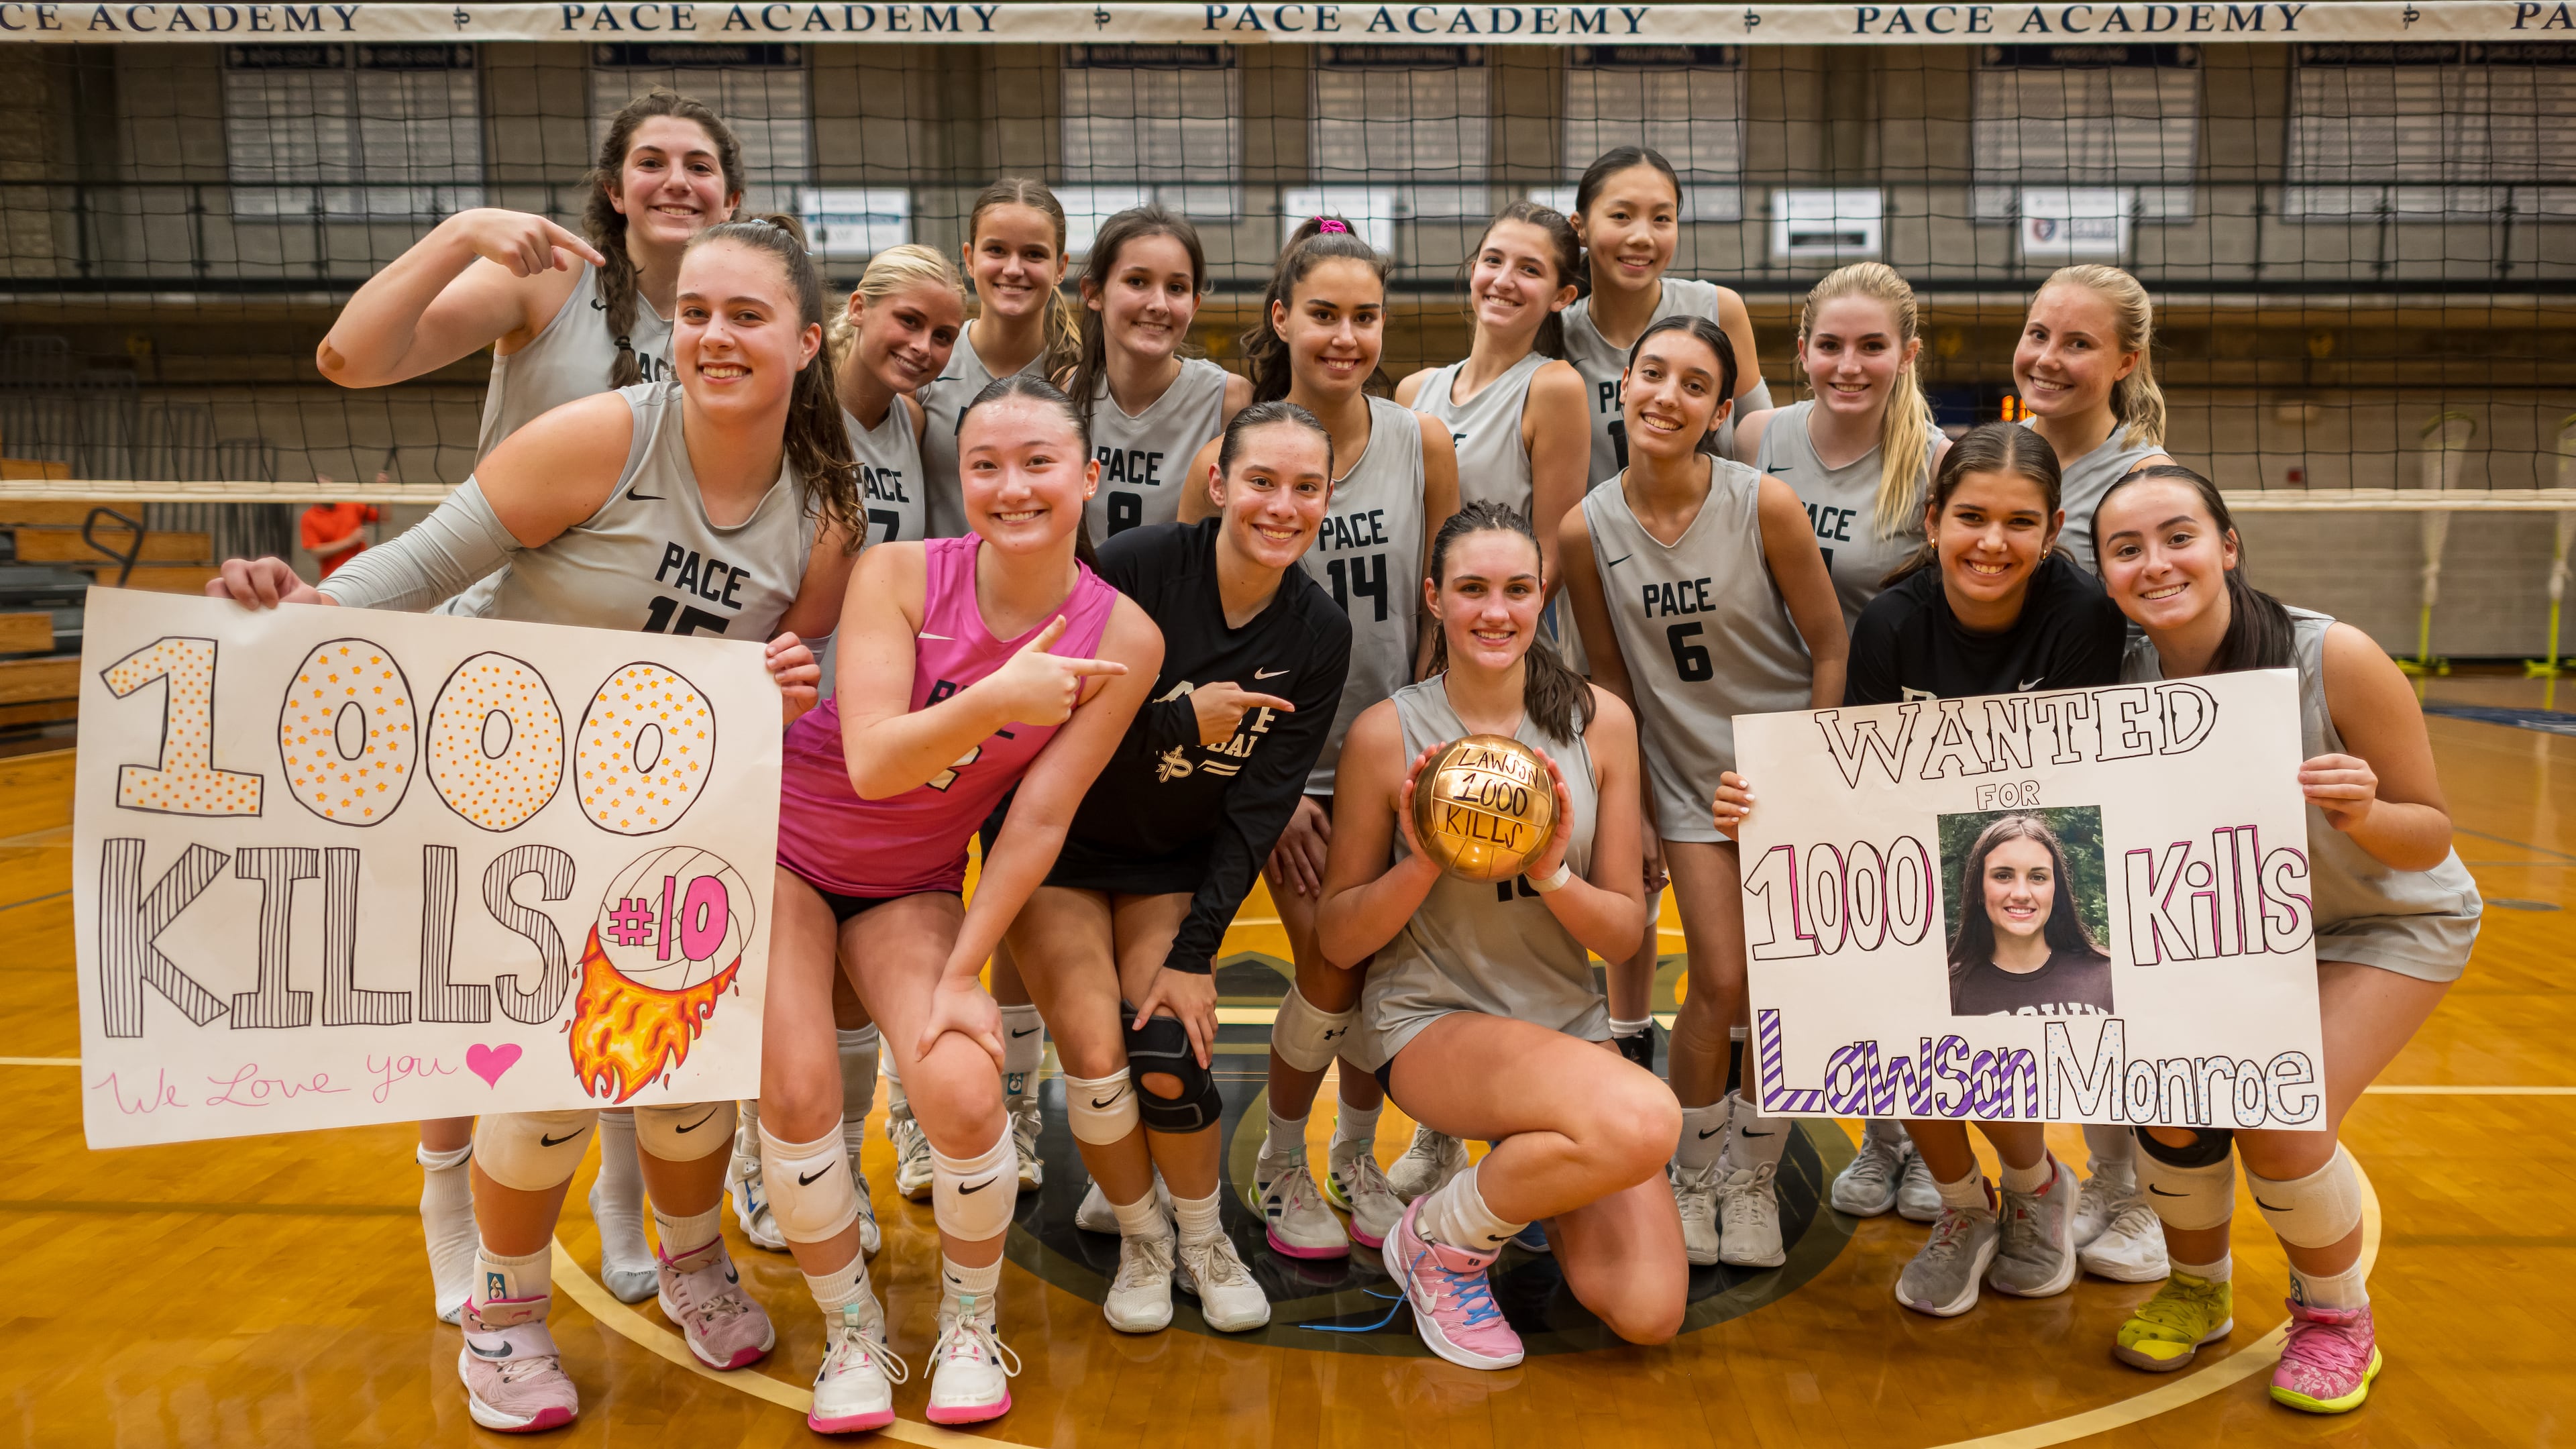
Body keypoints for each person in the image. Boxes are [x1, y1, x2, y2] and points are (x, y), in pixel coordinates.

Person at [209, 215, 861, 1432]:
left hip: (664, 812)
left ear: (809, 343)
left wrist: (791, 685)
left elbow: (796, 670)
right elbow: (406, 573)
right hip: (505, 791)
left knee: (680, 1081)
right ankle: (503, 1317)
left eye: (749, 316)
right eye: (697, 313)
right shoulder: (603, 437)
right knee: (553, 1083)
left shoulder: (823, 511)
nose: (714, 336)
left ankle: (692, 1257)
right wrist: (297, 610)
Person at [308, 87, 746, 1324]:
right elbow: (350, 360)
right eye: (650, 162)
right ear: (613, 189)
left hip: (647, 688)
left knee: (627, 960)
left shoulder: (733, 325)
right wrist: (459, 236)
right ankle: (450, 1200)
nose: (675, 180)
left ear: (731, 195)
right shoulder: (546, 290)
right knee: (484, 966)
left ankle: (618, 1203)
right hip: (497, 668)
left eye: (698, 165)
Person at [758, 374, 1161, 1432]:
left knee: (967, 1093)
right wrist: (1000, 697)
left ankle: (970, 1325)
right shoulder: (895, 572)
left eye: (1039, 464)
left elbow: (1036, 821)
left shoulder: (1123, 635)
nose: (1012, 486)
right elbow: (878, 762)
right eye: (985, 465)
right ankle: (852, 1331)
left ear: (1091, 476)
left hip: (914, 884)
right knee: (797, 1098)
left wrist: (961, 973)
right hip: (785, 854)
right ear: (960, 477)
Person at [1714, 421, 2135, 1316]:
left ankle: (2034, 1189)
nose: (1993, 542)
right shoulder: (1895, 624)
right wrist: (1766, 811)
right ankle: (1963, 1207)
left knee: (1981, 1017)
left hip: (2022, 867)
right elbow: (1852, 777)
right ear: (1935, 518)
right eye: (1972, 517)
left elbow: (2073, 787)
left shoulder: (2082, 617)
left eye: (2020, 523)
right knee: (1881, 1008)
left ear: (2055, 530)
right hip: (1922, 865)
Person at [2094, 464, 2479, 1415]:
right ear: (2103, 571)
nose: (2156, 563)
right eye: (2126, 548)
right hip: (2236, 935)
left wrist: (2362, 813)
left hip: (2388, 918)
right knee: (2172, 1104)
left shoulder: (2331, 656)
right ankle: (2197, 1290)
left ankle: (2336, 1319)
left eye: (2178, 536)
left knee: (2282, 1116)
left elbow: (2429, 829)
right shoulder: (2117, 674)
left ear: (2228, 546)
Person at [1016, 402, 1351, 1333]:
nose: (1281, 506)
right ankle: (1143, 1237)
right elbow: (1045, 730)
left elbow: (1256, 810)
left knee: (1167, 1044)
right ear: (1219, 485)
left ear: (1328, 497)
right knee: (1093, 1053)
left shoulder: (1316, 634)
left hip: (1171, 862)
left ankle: (1202, 1237)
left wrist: (1196, 953)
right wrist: (1177, 721)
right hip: (1066, 852)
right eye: (1261, 482)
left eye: (1305, 487)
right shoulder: (1135, 568)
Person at [1318, 500, 1675, 1370]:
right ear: (1435, 598)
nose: (1496, 611)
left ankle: (1514, 1180)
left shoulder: (1602, 724)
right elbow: (1336, 938)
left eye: (1518, 589)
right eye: (1472, 589)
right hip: (1432, 1020)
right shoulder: (1387, 733)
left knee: (1649, 1310)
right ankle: (1440, 1243)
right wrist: (1426, 859)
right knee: (1644, 1119)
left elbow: (1627, 934)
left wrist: (1552, 871)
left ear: (1541, 596)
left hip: (1563, 1028)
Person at [1179, 217, 1461, 1259]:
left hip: (1392, 751)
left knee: (1384, 979)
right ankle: (1288, 1158)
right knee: (1331, 972)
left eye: (1367, 316)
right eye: (1326, 314)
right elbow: (1187, 625)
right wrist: (1264, 777)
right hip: (1278, 767)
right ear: (1282, 317)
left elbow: (1441, 601)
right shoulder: (1230, 453)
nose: (1346, 335)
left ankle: (1354, 1155)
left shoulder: (1420, 438)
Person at [1560, 315, 1845, 1273]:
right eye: (1651, 374)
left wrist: (1807, 770)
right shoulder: (1584, 526)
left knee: (1774, 991)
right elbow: (1607, 682)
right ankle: (1693, 1174)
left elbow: (1831, 644)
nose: (1665, 396)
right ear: (1623, 385)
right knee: (1720, 978)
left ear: (1721, 411)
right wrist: (1631, 804)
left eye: (1693, 384)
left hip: (1779, 774)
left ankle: (1751, 1178)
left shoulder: (1764, 504)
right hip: (1685, 780)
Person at [727, 241, 969, 1263]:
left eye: (942, 334)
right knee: (778, 973)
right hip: (776, 717)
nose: (922, 345)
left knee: (841, 980)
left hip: (865, 735)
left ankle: (843, 1169)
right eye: (905, 321)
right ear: (857, 311)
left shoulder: (913, 426)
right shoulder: (783, 417)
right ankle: (756, 1156)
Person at [1733, 260, 1951, 1226]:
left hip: (1881, 737)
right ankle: (1882, 1130)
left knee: (1897, 948)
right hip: (1769, 727)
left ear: (1908, 354)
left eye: (1872, 347)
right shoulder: (1758, 437)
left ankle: (1903, 1142)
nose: (1849, 366)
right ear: (1801, 351)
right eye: (1830, 345)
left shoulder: (1940, 464)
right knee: (1817, 951)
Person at [1383, 202, 1592, 1195]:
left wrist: (1496, 646)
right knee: (1430, 870)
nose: (1505, 281)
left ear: (1563, 295)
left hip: (1508, 647)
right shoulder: (1418, 387)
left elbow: (1547, 546)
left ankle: (1479, 1109)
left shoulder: (1555, 386)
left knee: (1494, 855)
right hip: (1431, 650)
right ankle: (1439, 1117)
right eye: (1493, 261)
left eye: (1531, 270)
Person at [1558, 145, 1772, 1105]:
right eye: (1621, 215)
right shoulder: (1557, 336)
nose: (1642, 235)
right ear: (1582, 228)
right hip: (1605, 578)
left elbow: (1766, 435)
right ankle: (1623, 1037)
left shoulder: (1715, 310)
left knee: (1763, 959)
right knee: (1620, 859)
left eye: (1662, 215)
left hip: (1712, 578)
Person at [907, 178, 1085, 1199]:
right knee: (915, 888)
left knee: (1018, 892)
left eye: (1035, 252)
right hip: (932, 654)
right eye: (996, 251)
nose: (1014, 269)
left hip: (1043, 643)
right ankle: (916, 1102)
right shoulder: (928, 366)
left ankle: (1013, 1100)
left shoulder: (1081, 368)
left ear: (1062, 267)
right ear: (969, 256)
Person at [1064, 205, 1251, 547]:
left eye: (1176, 288)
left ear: (1194, 306)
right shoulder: (1065, 392)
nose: (1159, 304)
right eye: (1137, 282)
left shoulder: (1230, 401)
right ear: (1093, 292)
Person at [2013, 264, 2175, 574]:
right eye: (2039, 335)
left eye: (2079, 344)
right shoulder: (1997, 452)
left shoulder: (2151, 482)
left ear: (2125, 363)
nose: (2047, 359)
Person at [1944, 814, 2113, 1018]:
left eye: (2038, 877)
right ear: (1979, 889)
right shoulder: (1948, 992)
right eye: (2003, 876)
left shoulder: (2109, 978)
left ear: (2055, 889)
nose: (2021, 894)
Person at [299, 500, 378, 578]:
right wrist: (349, 541)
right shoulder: (309, 517)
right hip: (334, 576)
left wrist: (385, 495)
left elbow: (383, 516)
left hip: (362, 570)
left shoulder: (350, 505)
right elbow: (316, 552)